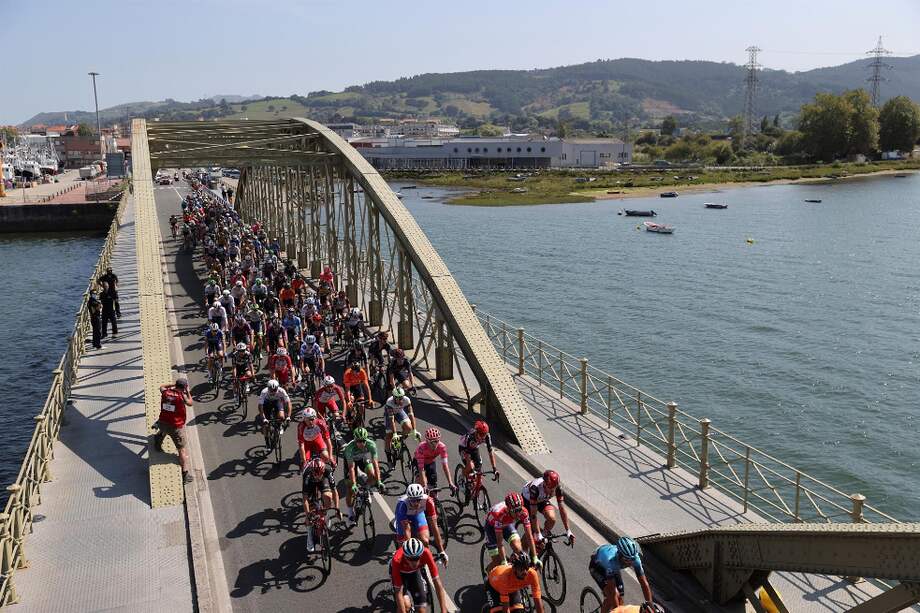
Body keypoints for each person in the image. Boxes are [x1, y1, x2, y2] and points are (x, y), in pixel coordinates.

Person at [589, 537, 655, 611]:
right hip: (597, 566)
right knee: (612, 596)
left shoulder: (635, 559)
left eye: (632, 559)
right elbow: (612, 591)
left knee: (620, 597)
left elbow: (644, 583)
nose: (630, 562)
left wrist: (651, 607)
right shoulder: (611, 561)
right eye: (627, 559)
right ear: (620, 555)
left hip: (613, 567)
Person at [484, 492, 539, 573]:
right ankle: (487, 576)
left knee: (518, 549)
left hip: (506, 524)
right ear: (508, 509)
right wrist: (504, 562)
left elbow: (529, 536)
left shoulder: (524, 512)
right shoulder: (499, 515)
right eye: (515, 511)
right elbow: (500, 543)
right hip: (491, 528)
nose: (518, 513)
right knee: (498, 561)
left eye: (519, 509)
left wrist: (534, 557)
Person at [389, 538, 449, 613]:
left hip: (415, 573)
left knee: (422, 611)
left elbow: (437, 582)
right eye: (410, 559)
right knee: (406, 606)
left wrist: (443, 610)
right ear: (405, 556)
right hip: (401, 575)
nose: (414, 562)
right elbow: (398, 592)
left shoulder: (426, 553)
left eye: (416, 558)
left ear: (421, 554)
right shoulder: (397, 560)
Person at [155, 375, 194, 484]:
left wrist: (172, 385)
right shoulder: (182, 397)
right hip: (176, 427)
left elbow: (161, 386)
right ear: (184, 387)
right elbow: (190, 403)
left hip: (162, 422)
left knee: (163, 430)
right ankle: (185, 474)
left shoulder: (165, 393)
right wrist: (188, 392)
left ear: (176, 385)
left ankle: (158, 439)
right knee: (182, 450)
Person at [522, 470, 574, 546]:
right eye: (550, 489)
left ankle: (543, 535)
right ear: (544, 484)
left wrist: (568, 530)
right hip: (528, 500)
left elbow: (562, 509)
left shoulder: (558, 488)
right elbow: (533, 515)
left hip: (542, 500)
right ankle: (524, 549)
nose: (552, 491)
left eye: (554, 489)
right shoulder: (535, 488)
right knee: (531, 528)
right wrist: (538, 533)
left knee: (552, 519)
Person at [394, 483, 447, 557]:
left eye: (418, 500)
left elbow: (434, 526)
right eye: (413, 500)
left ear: (422, 497)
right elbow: (407, 529)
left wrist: (441, 551)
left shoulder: (428, 501)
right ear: (408, 498)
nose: (415, 503)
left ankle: (426, 558)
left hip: (417, 514)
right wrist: (409, 553)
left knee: (425, 541)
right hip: (404, 516)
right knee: (403, 547)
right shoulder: (402, 504)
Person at [341, 427, 381, 522]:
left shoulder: (371, 444)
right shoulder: (349, 448)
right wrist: (354, 484)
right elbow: (351, 468)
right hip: (351, 462)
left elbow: (375, 463)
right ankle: (350, 513)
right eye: (359, 441)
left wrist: (379, 481)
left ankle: (366, 490)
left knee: (373, 475)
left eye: (363, 441)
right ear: (355, 440)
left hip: (363, 458)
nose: (361, 443)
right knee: (350, 488)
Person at [301, 457, 338, 552]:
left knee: (328, 497)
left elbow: (334, 491)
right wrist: (308, 514)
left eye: (319, 474)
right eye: (315, 474)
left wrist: (337, 509)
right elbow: (304, 498)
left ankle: (325, 516)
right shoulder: (307, 474)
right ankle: (309, 536)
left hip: (323, 481)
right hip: (310, 484)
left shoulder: (327, 470)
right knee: (310, 509)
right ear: (312, 471)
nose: (317, 476)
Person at [414, 427, 455, 494]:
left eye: (437, 441)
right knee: (421, 483)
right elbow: (421, 469)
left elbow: (445, 466)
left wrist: (450, 483)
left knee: (433, 484)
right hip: (419, 461)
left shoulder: (442, 447)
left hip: (430, 462)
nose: (435, 444)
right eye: (433, 442)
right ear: (427, 441)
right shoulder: (421, 448)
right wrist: (424, 485)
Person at [383, 386, 419, 464]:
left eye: (402, 397)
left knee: (408, 428)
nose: (401, 400)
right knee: (389, 436)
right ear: (394, 397)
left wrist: (414, 430)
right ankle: (389, 458)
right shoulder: (389, 402)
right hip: (389, 415)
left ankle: (399, 440)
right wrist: (395, 434)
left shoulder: (407, 400)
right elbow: (392, 420)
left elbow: (411, 415)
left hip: (399, 412)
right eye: (398, 398)